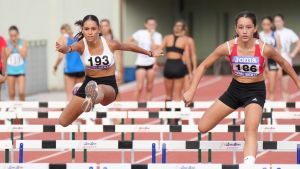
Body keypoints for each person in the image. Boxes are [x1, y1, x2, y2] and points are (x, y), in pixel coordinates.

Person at [183, 11, 300, 164]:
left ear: (255, 29)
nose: (244, 31)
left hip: (255, 91)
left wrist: (297, 83)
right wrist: (192, 89)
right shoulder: (228, 47)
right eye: (241, 27)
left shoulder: (264, 48)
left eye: (248, 27)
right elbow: (204, 65)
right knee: (202, 127)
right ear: (236, 29)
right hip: (234, 90)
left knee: (250, 131)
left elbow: (284, 63)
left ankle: (248, 164)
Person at [57, 15, 161, 127]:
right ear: (82, 30)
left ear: (99, 29)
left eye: (93, 29)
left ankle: (92, 98)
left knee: (99, 90)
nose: (90, 32)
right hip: (89, 84)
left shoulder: (110, 43)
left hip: (108, 85)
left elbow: (129, 46)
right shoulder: (81, 45)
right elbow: (70, 48)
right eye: (86, 29)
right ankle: (89, 98)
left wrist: (150, 53)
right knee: (63, 121)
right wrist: (64, 49)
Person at [128, 17, 162, 101]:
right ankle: (133, 108)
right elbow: (129, 41)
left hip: (151, 63)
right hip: (141, 63)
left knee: (149, 87)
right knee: (139, 87)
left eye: (153, 24)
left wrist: (151, 36)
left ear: (156, 25)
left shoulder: (158, 35)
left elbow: (156, 49)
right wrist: (136, 48)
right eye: (150, 24)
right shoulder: (140, 33)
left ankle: (148, 109)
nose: (151, 26)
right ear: (146, 24)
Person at [160, 20, 191, 101]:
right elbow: (187, 57)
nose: (177, 27)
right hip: (176, 65)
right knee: (173, 95)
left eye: (178, 26)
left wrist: (155, 63)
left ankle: (169, 113)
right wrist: (190, 72)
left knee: (171, 95)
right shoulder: (184, 40)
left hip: (172, 65)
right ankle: (173, 113)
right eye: (176, 25)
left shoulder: (167, 38)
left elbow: (159, 50)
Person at [53, 24, 85, 101]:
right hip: (81, 69)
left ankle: (71, 112)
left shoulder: (62, 38)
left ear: (62, 31)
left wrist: (55, 66)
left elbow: (60, 57)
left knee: (70, 96)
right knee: (79, 95)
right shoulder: (78, 38)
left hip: (69, 69)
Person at [274, 14, 300, 100]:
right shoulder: (271, 33)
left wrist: (292, 54)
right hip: (273, 62)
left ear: (283, 21)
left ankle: (286, 109)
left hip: (286, 61)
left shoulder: (289, 32)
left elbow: (298, 43)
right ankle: (268, 109)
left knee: (284, 88)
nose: (277, 23)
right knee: (271, 87)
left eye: (279, 21)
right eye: (275, 21)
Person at [259, 16, 281, 100]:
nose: (266, 26)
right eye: (264, 24)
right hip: (262, 61)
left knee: (271, 87)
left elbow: (279, 50)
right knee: (261, 87)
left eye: (268, 24)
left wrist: (279, 66)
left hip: (272, 61)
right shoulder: (259, 35)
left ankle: (271, 105)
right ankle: (261, 105)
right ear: (262, 25)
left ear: (271, 24)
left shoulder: (275, 34)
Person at [4, 26, 28, 101]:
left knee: (21, 92)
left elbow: (24, 55)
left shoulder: (23, 42)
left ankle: (22, 107)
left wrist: (17, 46)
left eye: (15, 35)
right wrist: (12, 47)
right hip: (11, 71)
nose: (13, 38)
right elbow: (6, 55)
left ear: (18, 35)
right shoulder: (7, 43)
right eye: (11, 36)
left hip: (21, 70)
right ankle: (12, 111)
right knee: (11, 93)